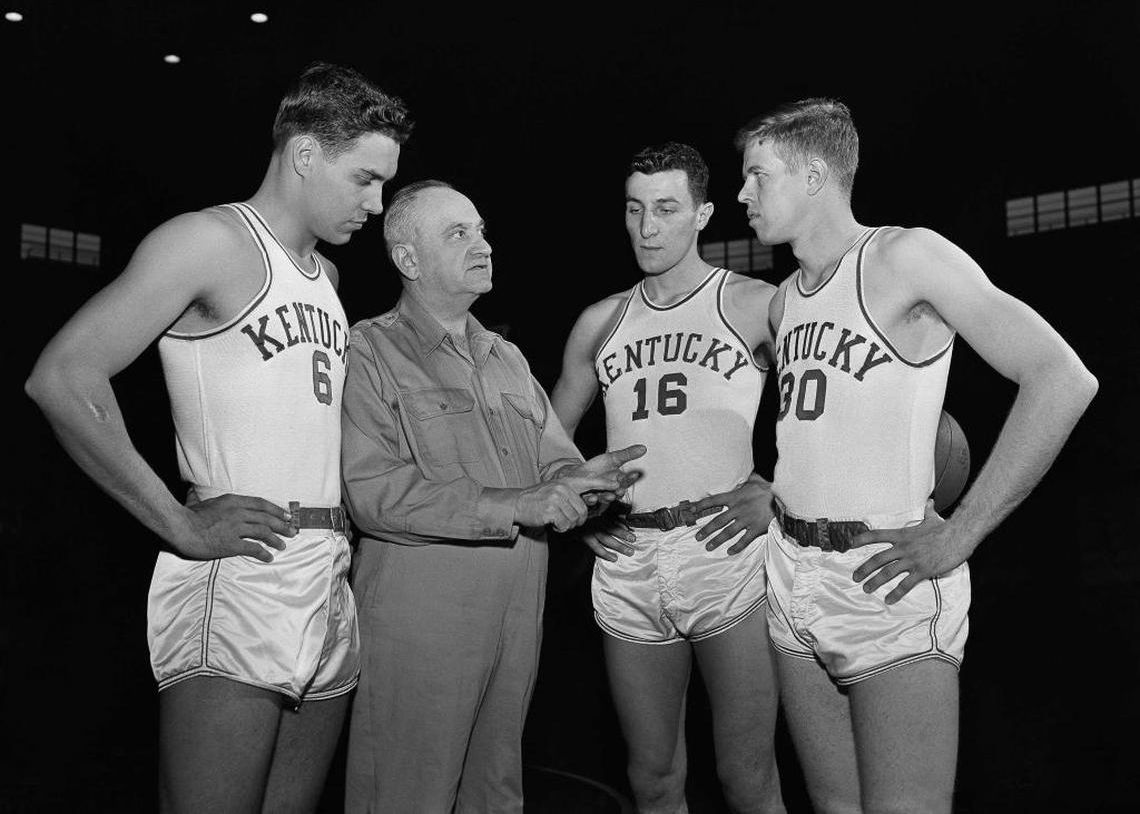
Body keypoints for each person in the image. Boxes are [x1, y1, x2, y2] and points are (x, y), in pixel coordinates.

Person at [24, 61, 412, 813]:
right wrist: (177, 520)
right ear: (305, 154)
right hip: (241, 569)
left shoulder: (326, 278)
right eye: (365, 178)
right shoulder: (207, 240)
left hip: (326, 572)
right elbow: (64, 378)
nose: (378, 202)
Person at [733, 98, 1098, 814]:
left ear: (813, 175)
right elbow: (825, 428)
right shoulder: (783, 303)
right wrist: (771, 492)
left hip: (884, 580)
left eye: (756, 175)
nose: (742, 195)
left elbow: (1062, 379)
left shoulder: (906, 255)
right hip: (792, 577)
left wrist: (961, 533)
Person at [340, 179, 645, 814]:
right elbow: (372, 493)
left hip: (516, 614)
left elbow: (554, 462)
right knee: (407, 796)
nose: (482, 244)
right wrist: (519, 504)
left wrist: (584, 490)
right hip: (422, 617)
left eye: (480, 230)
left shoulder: (506, 357)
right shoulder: (369, 351)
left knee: (497, 795)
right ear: (409, 259)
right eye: (458, 233)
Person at [551, 143, 786, 814]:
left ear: (702, 213)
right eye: (634, 209)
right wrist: (577, 508)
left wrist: (778, 488)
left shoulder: (754, 303)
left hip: (723, 549)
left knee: (747, 777)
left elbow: (827, 410)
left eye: (665, 208)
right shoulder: (601, 322)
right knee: (652, 778)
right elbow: (544, 446)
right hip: (629, 558)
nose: (647, 226)